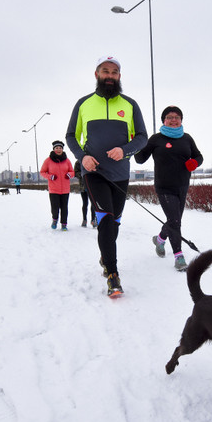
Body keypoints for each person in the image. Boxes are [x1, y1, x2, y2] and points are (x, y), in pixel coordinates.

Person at [66, 55, 148, 298]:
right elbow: (71, 135)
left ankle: (105, 256)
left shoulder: (130, 105)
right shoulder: (83, 104)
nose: (110, 75)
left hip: (120, 175)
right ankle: (113, 274)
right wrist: (83, 157)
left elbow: (142, 137)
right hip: (94, 173)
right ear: (96, 74)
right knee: (105, 219)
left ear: (119, 76)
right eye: (105, 71)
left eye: (114, 72)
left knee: (115, 223)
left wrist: (125, 150)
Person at [134, 105, 203, 272]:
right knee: (175, 221)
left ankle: (160, 239)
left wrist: (195, 162)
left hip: (182, 185)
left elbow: (199, 156)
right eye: (170, 117)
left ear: (181, 120)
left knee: (174, 220)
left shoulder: (187, 138)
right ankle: (178, 256)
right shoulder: (156, 139)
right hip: (164, 186)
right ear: (164, 120)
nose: (173, 120)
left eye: (177, 117)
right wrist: (135, 144)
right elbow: (140, 159)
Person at [39, 140, 75, 230]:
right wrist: (50, 176)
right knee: (55, 208)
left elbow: (72, 172)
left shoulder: (67, 161)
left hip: (65, 189)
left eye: (60, 148)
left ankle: (64, 224)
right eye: (56, 148)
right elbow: (42, 172)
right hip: (54, 189)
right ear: (53, 149)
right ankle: (55, 219)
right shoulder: (48, 161)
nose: (58, 149)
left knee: (64, 208)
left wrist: (69, 175)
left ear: (62, 149)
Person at [73, 159, 96, 227]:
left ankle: (93, 220)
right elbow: (75, 173)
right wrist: (83, 174)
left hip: (93, 186)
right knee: (85, 203)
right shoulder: (78, 162)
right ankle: (84, 220)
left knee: (93, 204)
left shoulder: (93, 159)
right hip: (83, 186)